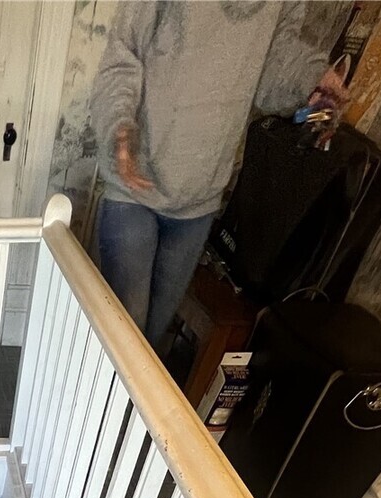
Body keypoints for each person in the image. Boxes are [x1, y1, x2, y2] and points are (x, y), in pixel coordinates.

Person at [90, 1, 348, 349]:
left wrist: (312, 78)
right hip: (135, 183)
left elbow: (272, 68)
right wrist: (120, 127)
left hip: (199, 195)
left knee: (151, 340)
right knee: (122, 341)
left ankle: (125, 405)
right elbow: (124, 55)